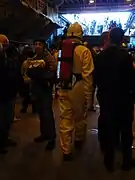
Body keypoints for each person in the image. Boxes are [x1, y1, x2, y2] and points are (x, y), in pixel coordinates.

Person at [95, 28, 135, 172]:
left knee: (110, 130)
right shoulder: (126, 56)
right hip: (123, 100)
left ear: (110, 38)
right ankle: (126, 161)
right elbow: (131, 80)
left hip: (107, 99)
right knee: (125, 132)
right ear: (122, 39)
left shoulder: (101, 56)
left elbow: (97, 79)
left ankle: (109, 162)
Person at [58, 22, 94, 161]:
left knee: (65, 118)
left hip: (63, 85)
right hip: (78, 86)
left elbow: (59, 69)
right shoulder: (84, 50)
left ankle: (66, 150)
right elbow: (88, 75)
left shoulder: (62, 49)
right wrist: (89, 96)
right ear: (81, 34)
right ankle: (78, 140)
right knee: (80, 116)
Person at [22, 39, 56, 150]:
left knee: (47, 113)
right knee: (41, 112)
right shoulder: (35, 57)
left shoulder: (48, 58)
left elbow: (52, 71)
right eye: (35, 44)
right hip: (37, 88)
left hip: (45, 88)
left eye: (39, 44)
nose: (37, 46)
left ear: (44, 46)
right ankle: (44, 134)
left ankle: (51, 138)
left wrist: (39, 75)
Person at [0, 35, 22, 154]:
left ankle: (5, 139)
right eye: (4, 44)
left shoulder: (9, 55)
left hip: (9, 92)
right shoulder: (3, 58)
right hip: (3, 93)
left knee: (7, 119)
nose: (6, 46)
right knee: (2, 120)